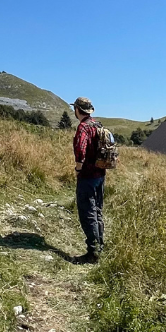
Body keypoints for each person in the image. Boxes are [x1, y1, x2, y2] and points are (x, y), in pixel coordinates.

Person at [72, 97, 104, 264]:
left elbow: (80, 151)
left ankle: (92, 253)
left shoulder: (83, 128)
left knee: (87, 213)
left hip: (87, 176)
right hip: (100, 175)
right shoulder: (98, 125)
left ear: (77, 109)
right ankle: (100, 248)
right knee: (97, 211)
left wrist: (78, 169)